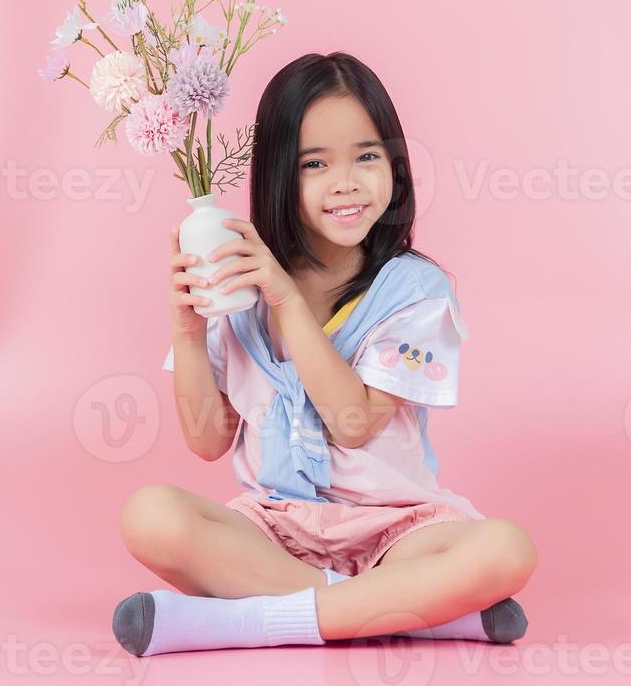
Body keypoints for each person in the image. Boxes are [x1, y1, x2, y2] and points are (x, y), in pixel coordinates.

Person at [112, 52, 538, 656]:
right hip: (273, 530)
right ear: (280, 174)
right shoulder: (238, 285)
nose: (347, 182)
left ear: (395, 166)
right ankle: (404, 612)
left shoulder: (415, 291)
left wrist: (286, 299)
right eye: (316, 164)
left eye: (367, 157)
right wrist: (186, 330)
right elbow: (208, 441)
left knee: (505, 550)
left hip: (398, 533)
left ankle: (249, 621)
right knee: (150, 514)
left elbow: (355, 423)